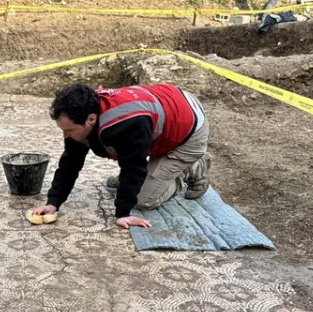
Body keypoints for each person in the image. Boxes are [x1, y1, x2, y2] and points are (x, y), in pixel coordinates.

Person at [30, 83, 211, 230]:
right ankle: (164, 169)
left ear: (91, 119)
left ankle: (192, 166)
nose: (65, 136)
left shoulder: (125, 124)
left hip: (190, 130)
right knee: (129, 168)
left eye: (69, 130)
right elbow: (71, 161)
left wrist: (123, 213)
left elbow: (134, 165)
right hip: (171, 107)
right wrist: (53, 202)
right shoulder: (83, 112)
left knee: (142, 200)